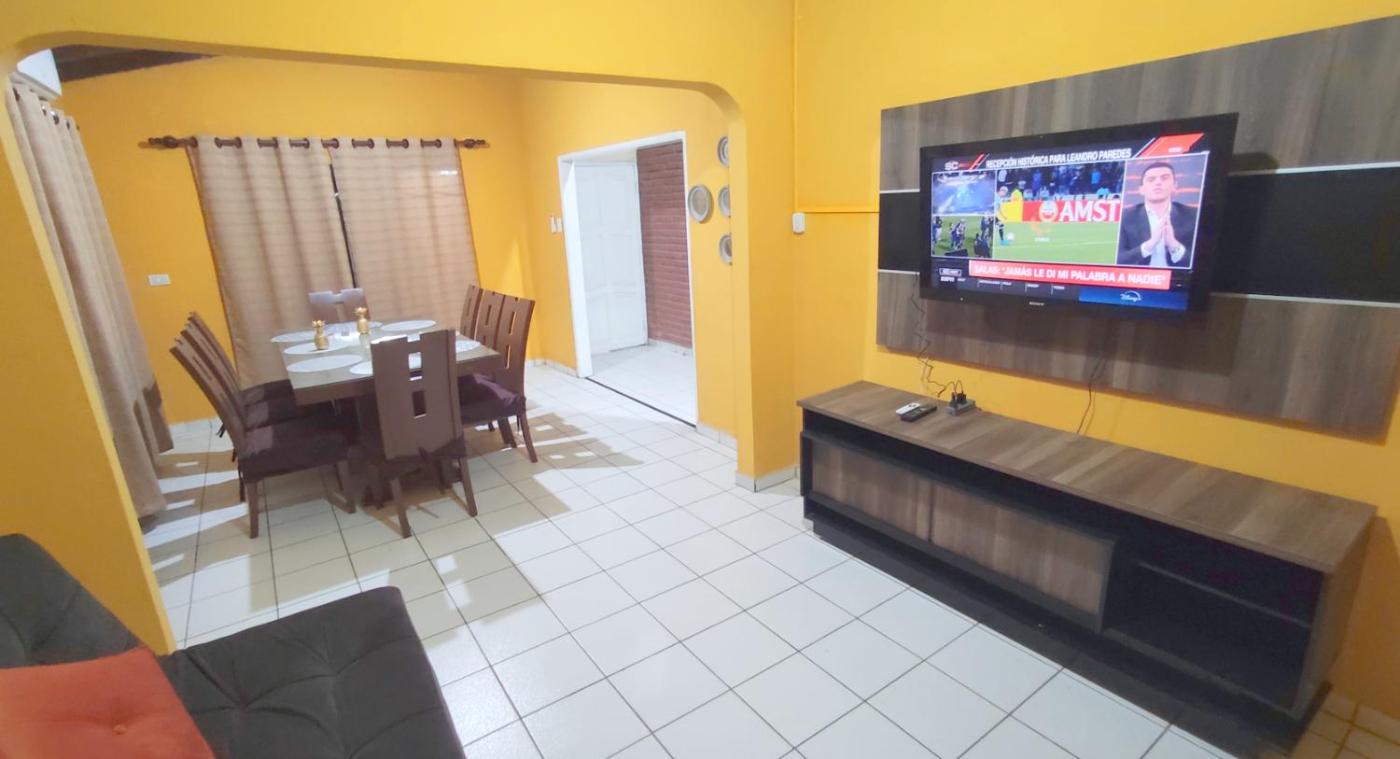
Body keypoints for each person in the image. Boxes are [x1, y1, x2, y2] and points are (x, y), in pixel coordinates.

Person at [1117, 161, 1197, 267]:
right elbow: (1118, 259)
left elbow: (1203, 261)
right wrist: (1148, 246)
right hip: (1138, 276)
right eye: (1151, 179)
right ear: (1141, 189)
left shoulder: (1193, 215)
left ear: (1175, 186)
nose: (1158, 182)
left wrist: (1174, 245)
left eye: (1164, 178)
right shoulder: (1125, 217)